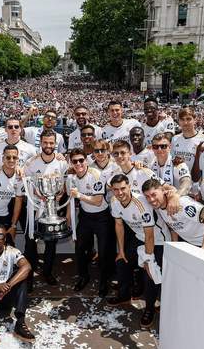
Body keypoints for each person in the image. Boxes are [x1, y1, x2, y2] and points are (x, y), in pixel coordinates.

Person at [108, 174, 162, 329]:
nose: (120, 193)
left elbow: (150, 235)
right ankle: (124, 295)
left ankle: (149, 308)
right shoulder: (114, 201)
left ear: (130, 186)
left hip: (157, 241)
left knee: (150, 274)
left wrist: (148, 259)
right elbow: (119, 225)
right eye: (116, 190)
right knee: (121, 262)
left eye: (123, 188)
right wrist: (121, 251)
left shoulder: (141, 203)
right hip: (139, 237)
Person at [23, 130, 68, 285]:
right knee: (30, 242)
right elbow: (26, 182)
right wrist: (36, 193)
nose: (48, 146)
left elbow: (65, 184)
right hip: (34, 208)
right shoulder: (31, 162)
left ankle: (47, 272)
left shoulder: (62, 162)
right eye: (45, 142)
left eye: (51, 143)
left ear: (55, 143)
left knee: (51, 243)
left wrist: (60, 193)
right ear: (40, 143)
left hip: (53, 209)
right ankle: (28, 275)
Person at [67, 148, 114, 296]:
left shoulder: (96, 175)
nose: (79, 163)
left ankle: (104, 282)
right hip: (85, 216)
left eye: (81, 160)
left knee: (104, 251)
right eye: (75, 161)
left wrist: (79, 195)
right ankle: (83, 276)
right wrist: (69, 218)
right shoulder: (72, 177)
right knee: (80, 248)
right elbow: (70, 200)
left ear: (86, 161)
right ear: (71, 163)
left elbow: (98, 201)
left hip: (102, 217)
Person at [142, 178, 204, 251]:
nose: (151, 199)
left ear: (163, 191)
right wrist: (174, 246)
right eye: (147, 197)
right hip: (193, 243)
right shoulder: (159, 206)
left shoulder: (181, 203)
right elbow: (173, 226)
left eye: (154, 194)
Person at [171, 107, 204, 172]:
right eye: (182, 119)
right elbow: (171, 160)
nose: (185, 122)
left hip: (195, 181)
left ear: (195, 120)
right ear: (178, 121)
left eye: (188, 119)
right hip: (176, 181)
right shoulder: (174, 139)